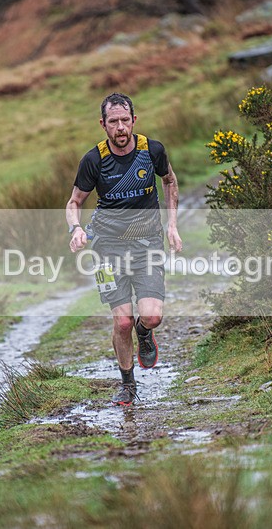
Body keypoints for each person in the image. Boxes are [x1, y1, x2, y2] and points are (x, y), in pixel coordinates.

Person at [66, 92, 182, 406]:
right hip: (105, 248)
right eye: (113, 122)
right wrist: (75, 228)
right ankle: (128, 384)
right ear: (103, 125)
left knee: (152, 317)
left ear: (134, 120)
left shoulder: (151, 150)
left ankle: (145, 333)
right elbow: (74, 202)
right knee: (122, 322)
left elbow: (169, 181)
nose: (120, 128)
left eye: (125, 120)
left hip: (147, 244)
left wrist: (171, 225)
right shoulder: (94, 160)